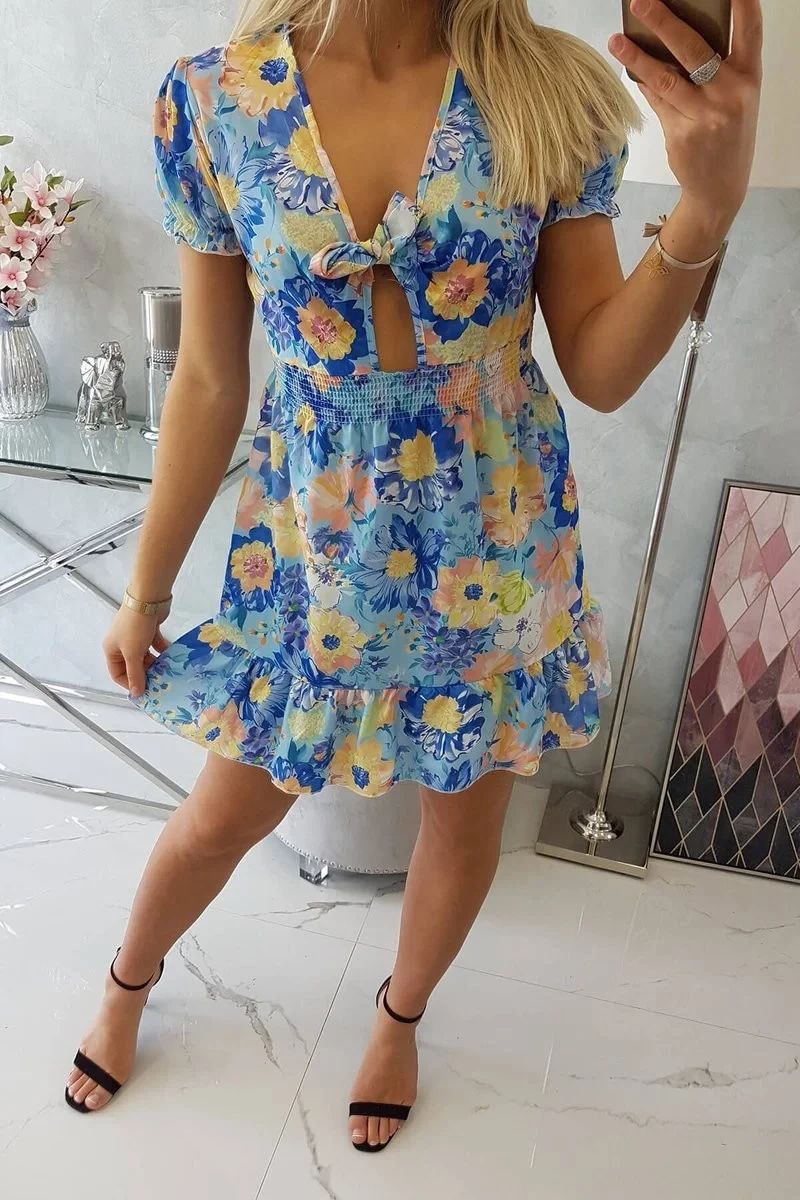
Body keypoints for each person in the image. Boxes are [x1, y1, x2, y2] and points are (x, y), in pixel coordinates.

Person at [65, 0, 761, 1152]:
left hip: (493, 548)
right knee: (224, 811)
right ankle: (127, 982)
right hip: (309, 555)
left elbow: (595, 367)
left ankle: (399, 1017)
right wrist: (145, 589)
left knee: (462, 817)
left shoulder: (545, 91)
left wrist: (705, 205)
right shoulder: (215, 99)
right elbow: (208, 379)